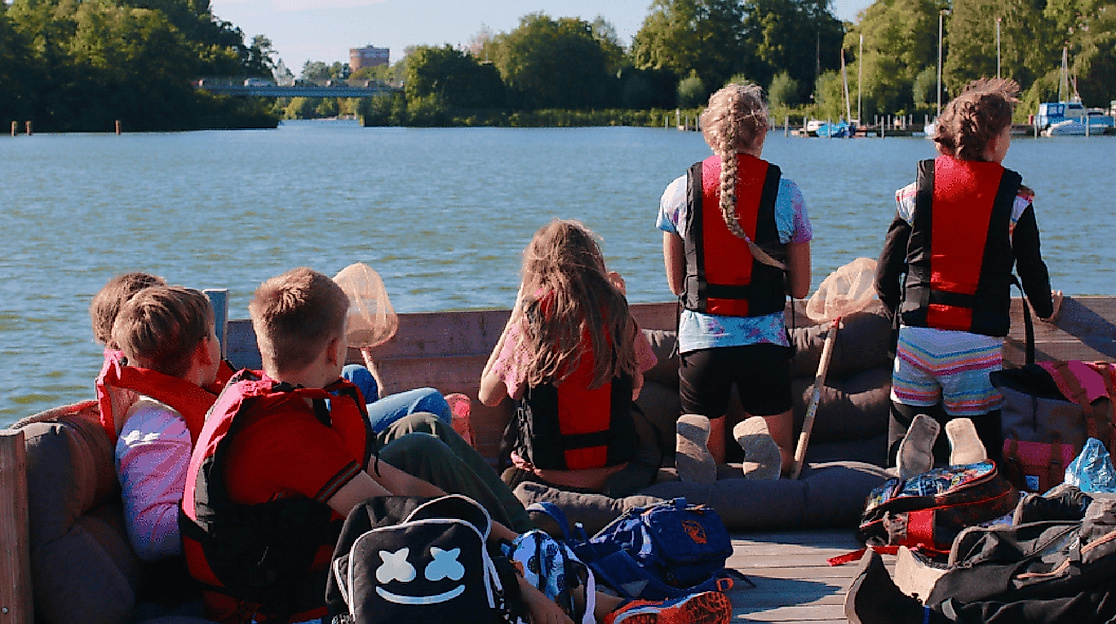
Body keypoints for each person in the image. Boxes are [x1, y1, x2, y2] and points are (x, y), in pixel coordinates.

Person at [180, 267, 731, 624]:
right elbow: (386, 513)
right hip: (268, 600)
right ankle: (596, 611)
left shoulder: (288, 400)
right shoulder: (286, 432)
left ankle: (589, 596)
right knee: (465, 551)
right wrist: (488, 539)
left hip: (295, 556)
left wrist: (503, 531)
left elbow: (395, 482)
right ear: (333, 347)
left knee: (447, 484)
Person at [875, 78, 1060, 470]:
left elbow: (884, 276)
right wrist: (1047, 310)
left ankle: (903, 500)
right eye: (1009, 132)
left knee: (900, 453)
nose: (1011, 141)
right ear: (993, 141)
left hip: (917, 337)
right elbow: (1032, 273)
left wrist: (900, 314)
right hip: (975, 346)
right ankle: (969, 476)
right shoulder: (1016, 200)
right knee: (980, 457)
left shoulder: (914, 193)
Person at [657, 83, 812, 479]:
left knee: (711, 465)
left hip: (703, 346)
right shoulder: (787, 193)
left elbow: (677, 284)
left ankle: (702, 459)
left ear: (709, 133)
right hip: (764, 345)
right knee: (785, 460)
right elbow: (799, 289)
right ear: (761, 133)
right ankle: (764, 454)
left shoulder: (678, 192)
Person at [478, 219, 659, 495]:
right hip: (615, 471)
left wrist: (517, 312)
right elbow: (633, 390)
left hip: (546, 474)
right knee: (648, 446)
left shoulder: (532, 320)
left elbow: (487, 395)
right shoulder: (619, 316)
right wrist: (620, 300)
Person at [110, 286, 224, 561]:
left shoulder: (169, 419)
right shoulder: (159, 427)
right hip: (185, 583)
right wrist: (237, 520)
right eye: (214, 333)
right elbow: (149, 536)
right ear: (205, 350)